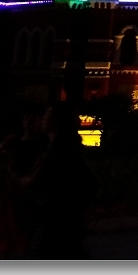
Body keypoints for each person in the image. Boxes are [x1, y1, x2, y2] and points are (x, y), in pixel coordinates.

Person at [29, 106, 97, 258]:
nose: (42, 119)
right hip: (60, 221)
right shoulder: (60, 148)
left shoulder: (59, 151)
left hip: (56, 221)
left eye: (47, 115)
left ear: (56, 122)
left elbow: (55, 184)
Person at [0, 109, 47, 257]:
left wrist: (29, 178)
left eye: (33, 119)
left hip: (30, 187)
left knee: (26, 224)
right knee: (9, 221)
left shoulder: (42, 143)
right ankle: (7, 251)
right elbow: (2, 154)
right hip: (14, 185)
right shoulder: (15, 140)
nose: (29, 122)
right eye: (27, 119)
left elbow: (41, 164)